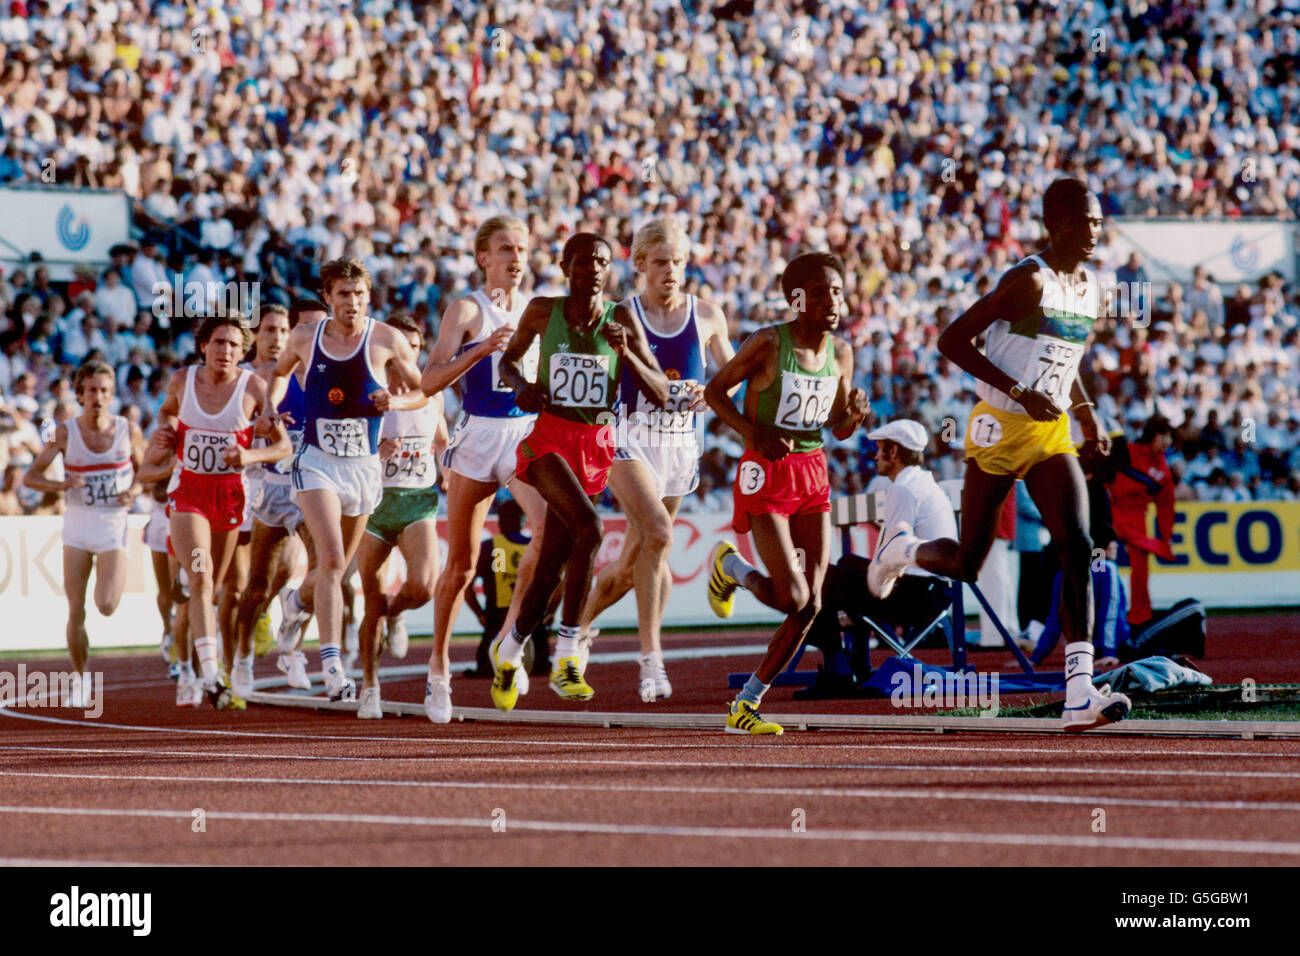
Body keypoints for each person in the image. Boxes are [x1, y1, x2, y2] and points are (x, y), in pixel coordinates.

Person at [867, 177, 1131, 733]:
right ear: (1054, 223)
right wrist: (1018, 392)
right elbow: (952, 341)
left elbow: (1065, 357)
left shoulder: (1088, 288)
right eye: (1084, 221)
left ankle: (1079, 689)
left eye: (1098, 222)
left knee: (1077, 545)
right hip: (996, 426)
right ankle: (905, 550)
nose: (1094, 231)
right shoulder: (1026, 281)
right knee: (966, 563)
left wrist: (1084, 414)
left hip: (1050, 431)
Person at [489, 232, 670, 710]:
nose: (593, 269)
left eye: (603, 262)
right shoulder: (542, 311)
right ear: (566, 265)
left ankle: (508, 652)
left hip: (595, 447)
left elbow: (660, 393)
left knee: (550, 566)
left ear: (609, 271)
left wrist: (627, 351)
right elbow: (506, 362)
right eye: (584, 261)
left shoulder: (622, 318)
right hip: (549, 439)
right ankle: (569, 654)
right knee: (589, 527)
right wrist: (520, 385)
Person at [704, 251, 871, 735]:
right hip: (766, 471)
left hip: (812, 473)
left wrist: (854, 416)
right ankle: (731, 566)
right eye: (819, 293)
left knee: (813, 604)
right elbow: (716, 391)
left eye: (837, 291)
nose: (832, 301)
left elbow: (837, 427)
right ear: (796, 299)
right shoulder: (767, 343)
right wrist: (750, 433)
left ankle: (746, 704)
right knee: (794, 595)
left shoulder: (841, 353)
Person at [576, 217, 735, 699]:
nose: (671, 270)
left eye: (679, 261)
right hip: (628, 436)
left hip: (679, 442)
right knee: (660, 534)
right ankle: (651, 661)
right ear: (640, 264)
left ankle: (574, 631)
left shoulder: (707, 314)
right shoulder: (620, 315)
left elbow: (732, 376)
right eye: (661, 261)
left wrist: (712, 393)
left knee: (633, 562)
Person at [263, 257, 423, 702]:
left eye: (358, 294)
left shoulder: (386, 338)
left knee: (334, 570)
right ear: (328, 297)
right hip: (316, 461)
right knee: (332, 559)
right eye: (342, 295)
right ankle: (333, 668)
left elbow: (423, 391)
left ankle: (295, 604)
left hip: (363, 467)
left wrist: (396, 401)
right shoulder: (304, 337)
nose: (351, 302)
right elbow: (278, 374)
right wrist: (269, 407)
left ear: (367, 297)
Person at [418, 216, 550, 718]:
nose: (516, 258)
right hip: (476, 435)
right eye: (505, 249)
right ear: (483, 257)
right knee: (462, 564)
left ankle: (507, 641)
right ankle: (438, 670)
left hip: (524, 434)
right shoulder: (467, 308)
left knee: (547, 530)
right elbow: (430, 381)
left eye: (522, 248)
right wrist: (479, 352)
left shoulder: (539, 309)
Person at [146, 314, 291, 708]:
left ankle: (207, 665)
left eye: (233, 344)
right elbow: (166, 411)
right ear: (203, 347)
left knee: (223, 589)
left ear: (243, 351)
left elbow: (282, 447)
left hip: (229, 497)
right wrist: (166, 429)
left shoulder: (254, 387)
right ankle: (210, 673)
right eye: (218, 342)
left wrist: (250, 454)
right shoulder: (182, 381)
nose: (225, 351)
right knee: (202, 580)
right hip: (188, 494)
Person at [23, 360, 145, 708]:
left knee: (105, 605)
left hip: (112, 525)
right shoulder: (63, 432)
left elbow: (146, 470)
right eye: (91, 390)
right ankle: (80, 677)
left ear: (112, 395)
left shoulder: (128, 429)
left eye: (104, 390)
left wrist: (133, 493)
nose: (98, 397)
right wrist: (61, 484)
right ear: (79, 394)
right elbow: (32, 476)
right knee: (76, 609)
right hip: (77, 523)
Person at [356, 314, 448, 719]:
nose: (407, 352)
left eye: (414, 345)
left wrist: (448, 473)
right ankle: (370, 687)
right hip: (374, 506)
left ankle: (396, 615)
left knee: (424, 587)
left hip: (417, 501)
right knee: (370, 602)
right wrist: (376, 454)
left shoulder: (434, 396)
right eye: (399, 345)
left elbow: (442, 441)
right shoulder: (368, 393)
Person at [229, 304, 301, 698]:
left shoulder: (298, 376)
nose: (277, 338)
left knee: (287, 570)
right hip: (243, 482)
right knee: (242, 585)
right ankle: (234, 655)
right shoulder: (244, 380)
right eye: (270, 330)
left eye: (283, 330)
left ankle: (270, 618)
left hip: (283, 482)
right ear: (256, 335)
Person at [1107, 414, 1176, 626]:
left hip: (1138, 517)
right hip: (1110, 511)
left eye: (1169, 437)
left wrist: (1166, 536)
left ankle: (1140, 616)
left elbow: (1166, 506)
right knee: (1099, 560)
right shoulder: (1127, 450)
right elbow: (1102, 475)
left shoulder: (1163, 471)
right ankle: (1098, 611)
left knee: (1141, 568)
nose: (1167, 442)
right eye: (1162, 436)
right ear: (1152, 436)